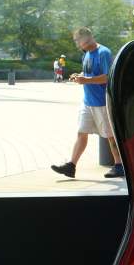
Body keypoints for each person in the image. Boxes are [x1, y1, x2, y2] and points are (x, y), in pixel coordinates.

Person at [51, 27, 124, 179]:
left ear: (87, 38)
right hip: (87, 101)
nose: (76, 43)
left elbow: (107, 77)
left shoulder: (103, 53)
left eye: (78, 40)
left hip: (102, 102)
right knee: (81, 132)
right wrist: (80, 76)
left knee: (110, 135)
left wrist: (87, 80)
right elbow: (90, 73)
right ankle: (71, 166)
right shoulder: (86, 54)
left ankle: (119, 166)